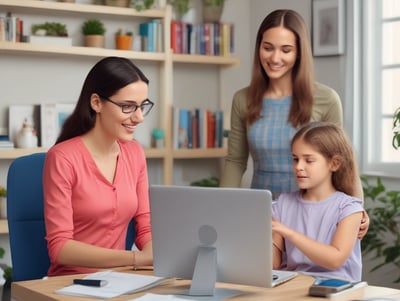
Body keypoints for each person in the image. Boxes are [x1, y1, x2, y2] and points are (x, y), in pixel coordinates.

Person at [220, 9, 369, 237]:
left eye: (286, 50)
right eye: (268, 48)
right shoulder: (243, 99)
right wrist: (222, 207)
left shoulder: (326, 99)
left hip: (315, 215)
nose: (275, 58)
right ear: (259, 47)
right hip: (263, 216)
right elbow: (235, 161)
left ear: (299, 52)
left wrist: (356, 210)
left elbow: (344, 163)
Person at [43, 56, 154, 276]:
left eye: (142, 106)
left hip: (120, 280)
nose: (139, 117)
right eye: (128, 106)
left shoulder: (135, 153)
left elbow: (145, 226)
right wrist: (136, 258)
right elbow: (60, 247)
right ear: (96, 103)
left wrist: (155, 253)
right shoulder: (62, 158)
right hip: (70, 282)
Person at [272, 122, 363, 281]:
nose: (299, 167)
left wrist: (288, 232)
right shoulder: (282, 204)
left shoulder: (349, 208)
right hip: (294, 286)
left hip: (337, 288)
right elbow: (273, 266)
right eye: (295, 159)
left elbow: (335, 260)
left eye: (309, 160)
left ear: (334, 164)